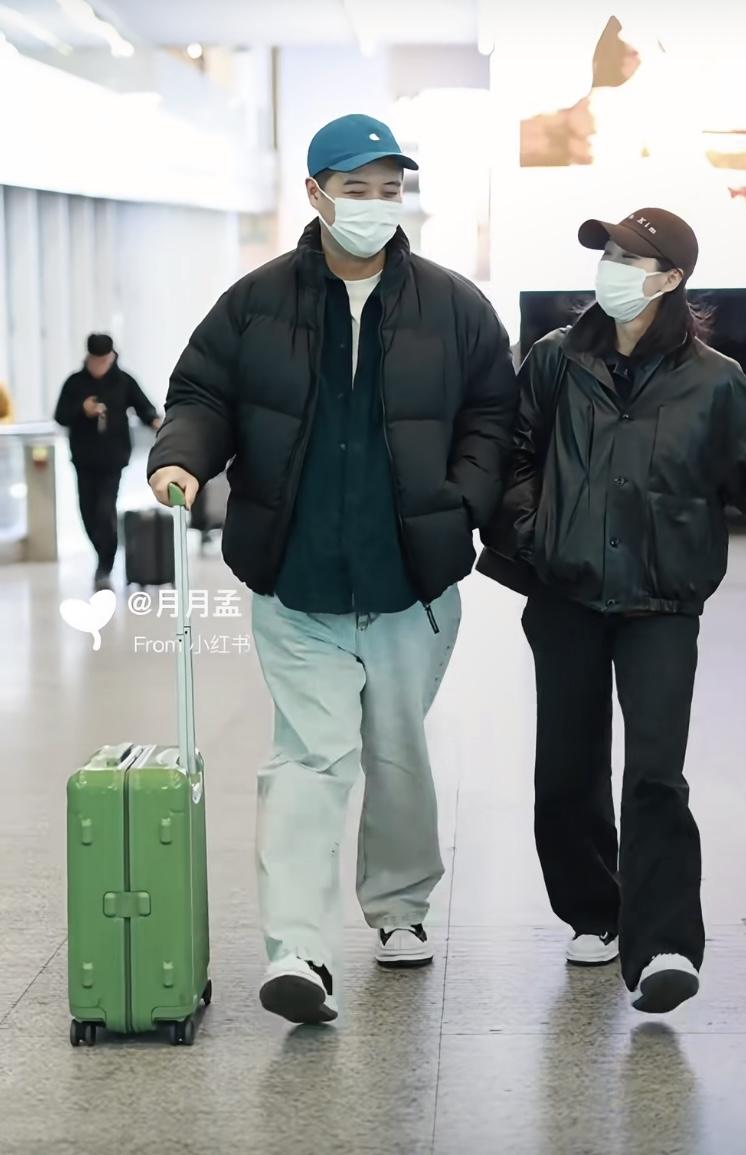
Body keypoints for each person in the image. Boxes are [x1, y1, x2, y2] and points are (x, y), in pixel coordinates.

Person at [147, 114, 516, 1025]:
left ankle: (399, 907)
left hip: (410, 579)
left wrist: (463, 499)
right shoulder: (255, 303)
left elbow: (493, 412)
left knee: (396, 750)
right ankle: (299, 950)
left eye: (390, 189)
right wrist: (181, 456)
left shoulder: (453, 304)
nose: (377, 205)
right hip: (297, 575)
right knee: (310, 755)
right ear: (314, 193)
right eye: (358, 189)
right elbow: (201, 393)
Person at [479, 206, 746, 1014]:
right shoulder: (555, 360)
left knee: (656, 774)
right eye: (606, 252)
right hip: (564, 592)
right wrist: (536, 534)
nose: (610, 267)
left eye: (629, 258)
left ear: (670, 278)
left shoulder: (716, 381)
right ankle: (593, 911)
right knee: (565, 771)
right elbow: (515, 457)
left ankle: (665, 943)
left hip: (663, 600)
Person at [55, 334, 160, 590]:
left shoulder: (123, 381)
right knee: (88, 514)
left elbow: (144, 408)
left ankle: (105, 565)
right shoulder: (75, 383)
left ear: (112, 357)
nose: (100, 366)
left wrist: (157, 423)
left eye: (104, 361)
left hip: (113, 459)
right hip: (84, 460)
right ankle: (103, 554)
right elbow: (60, 416)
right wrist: (82, 410)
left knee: (105, 510)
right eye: (95, 361)